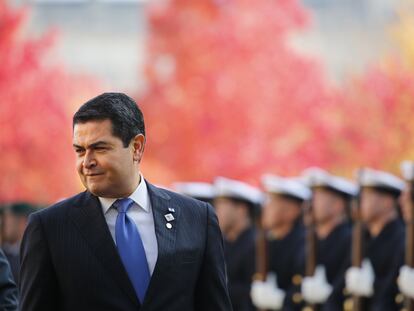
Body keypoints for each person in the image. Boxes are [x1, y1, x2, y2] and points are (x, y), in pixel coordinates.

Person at [19, 92, 232, 311]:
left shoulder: (196, 218)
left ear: (136, 147)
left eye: (100, 148)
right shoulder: (50, 228)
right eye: (80, 151)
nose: (87, 162)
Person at [345, 168, 405, 311]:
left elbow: (390, 290)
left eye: (366, 197)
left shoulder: (400, 238)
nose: (359, 204)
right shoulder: (362, 237)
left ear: (387, 202)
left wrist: (373, 285)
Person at [251, 174, 310, 311]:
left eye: (273, 202)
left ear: (291, 211)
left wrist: (281, 299)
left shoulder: (303, 243)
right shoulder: (267, 241)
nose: (266, 208)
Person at [301, 168, 357, 311]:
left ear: (338, 205)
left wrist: (330, 296)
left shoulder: (349, 239)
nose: (310, 205)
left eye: (317, 198)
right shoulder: (311, 239)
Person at [213, 177, 262, 311]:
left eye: (223, 205)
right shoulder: (224, 242)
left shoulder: (257, 244)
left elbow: (253, 290)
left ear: (241, 209)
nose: (217, 211)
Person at [2, 202, 37, 282]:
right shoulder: (4, 252)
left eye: (9, 219)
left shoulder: (34, 255)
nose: (5, 224)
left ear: (22, 222)